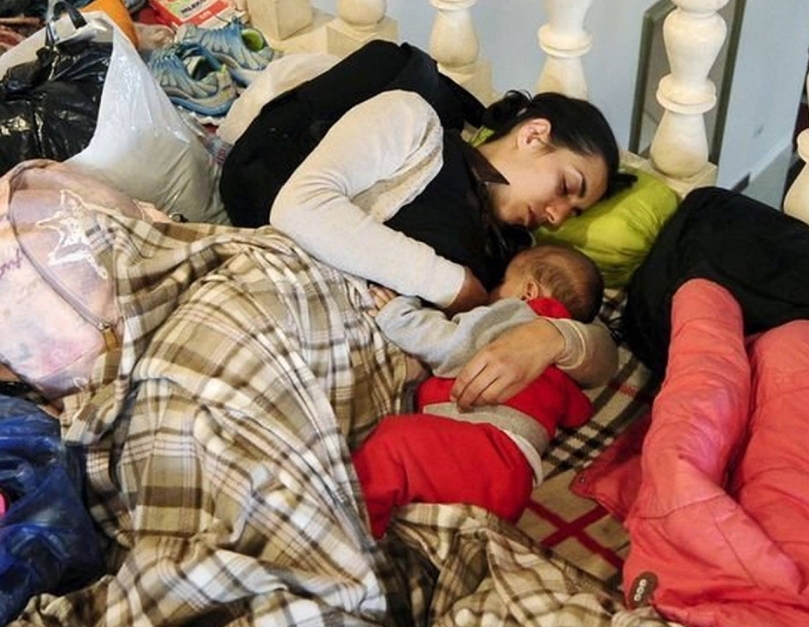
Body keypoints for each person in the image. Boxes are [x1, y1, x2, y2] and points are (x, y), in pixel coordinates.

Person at [219, 41, 633, 409]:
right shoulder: (413, 123)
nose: (557, 217)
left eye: (573, 213)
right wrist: (451, 284)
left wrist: (549, 339)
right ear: (533, 135)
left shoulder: (517, 262)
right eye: (566, 187)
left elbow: (601, 357)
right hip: (278, 313)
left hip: (345, 388)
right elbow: (299, 207)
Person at [352, 244, 604, 537]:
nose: (494, 291)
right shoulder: (566, 365)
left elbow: (447, 344)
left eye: (502, 282)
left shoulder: (516, 314)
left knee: (392, 445)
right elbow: (578, 413)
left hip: (482, 449)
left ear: (528, 292)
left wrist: (397, 313)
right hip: (515, 485)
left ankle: (353, 535)